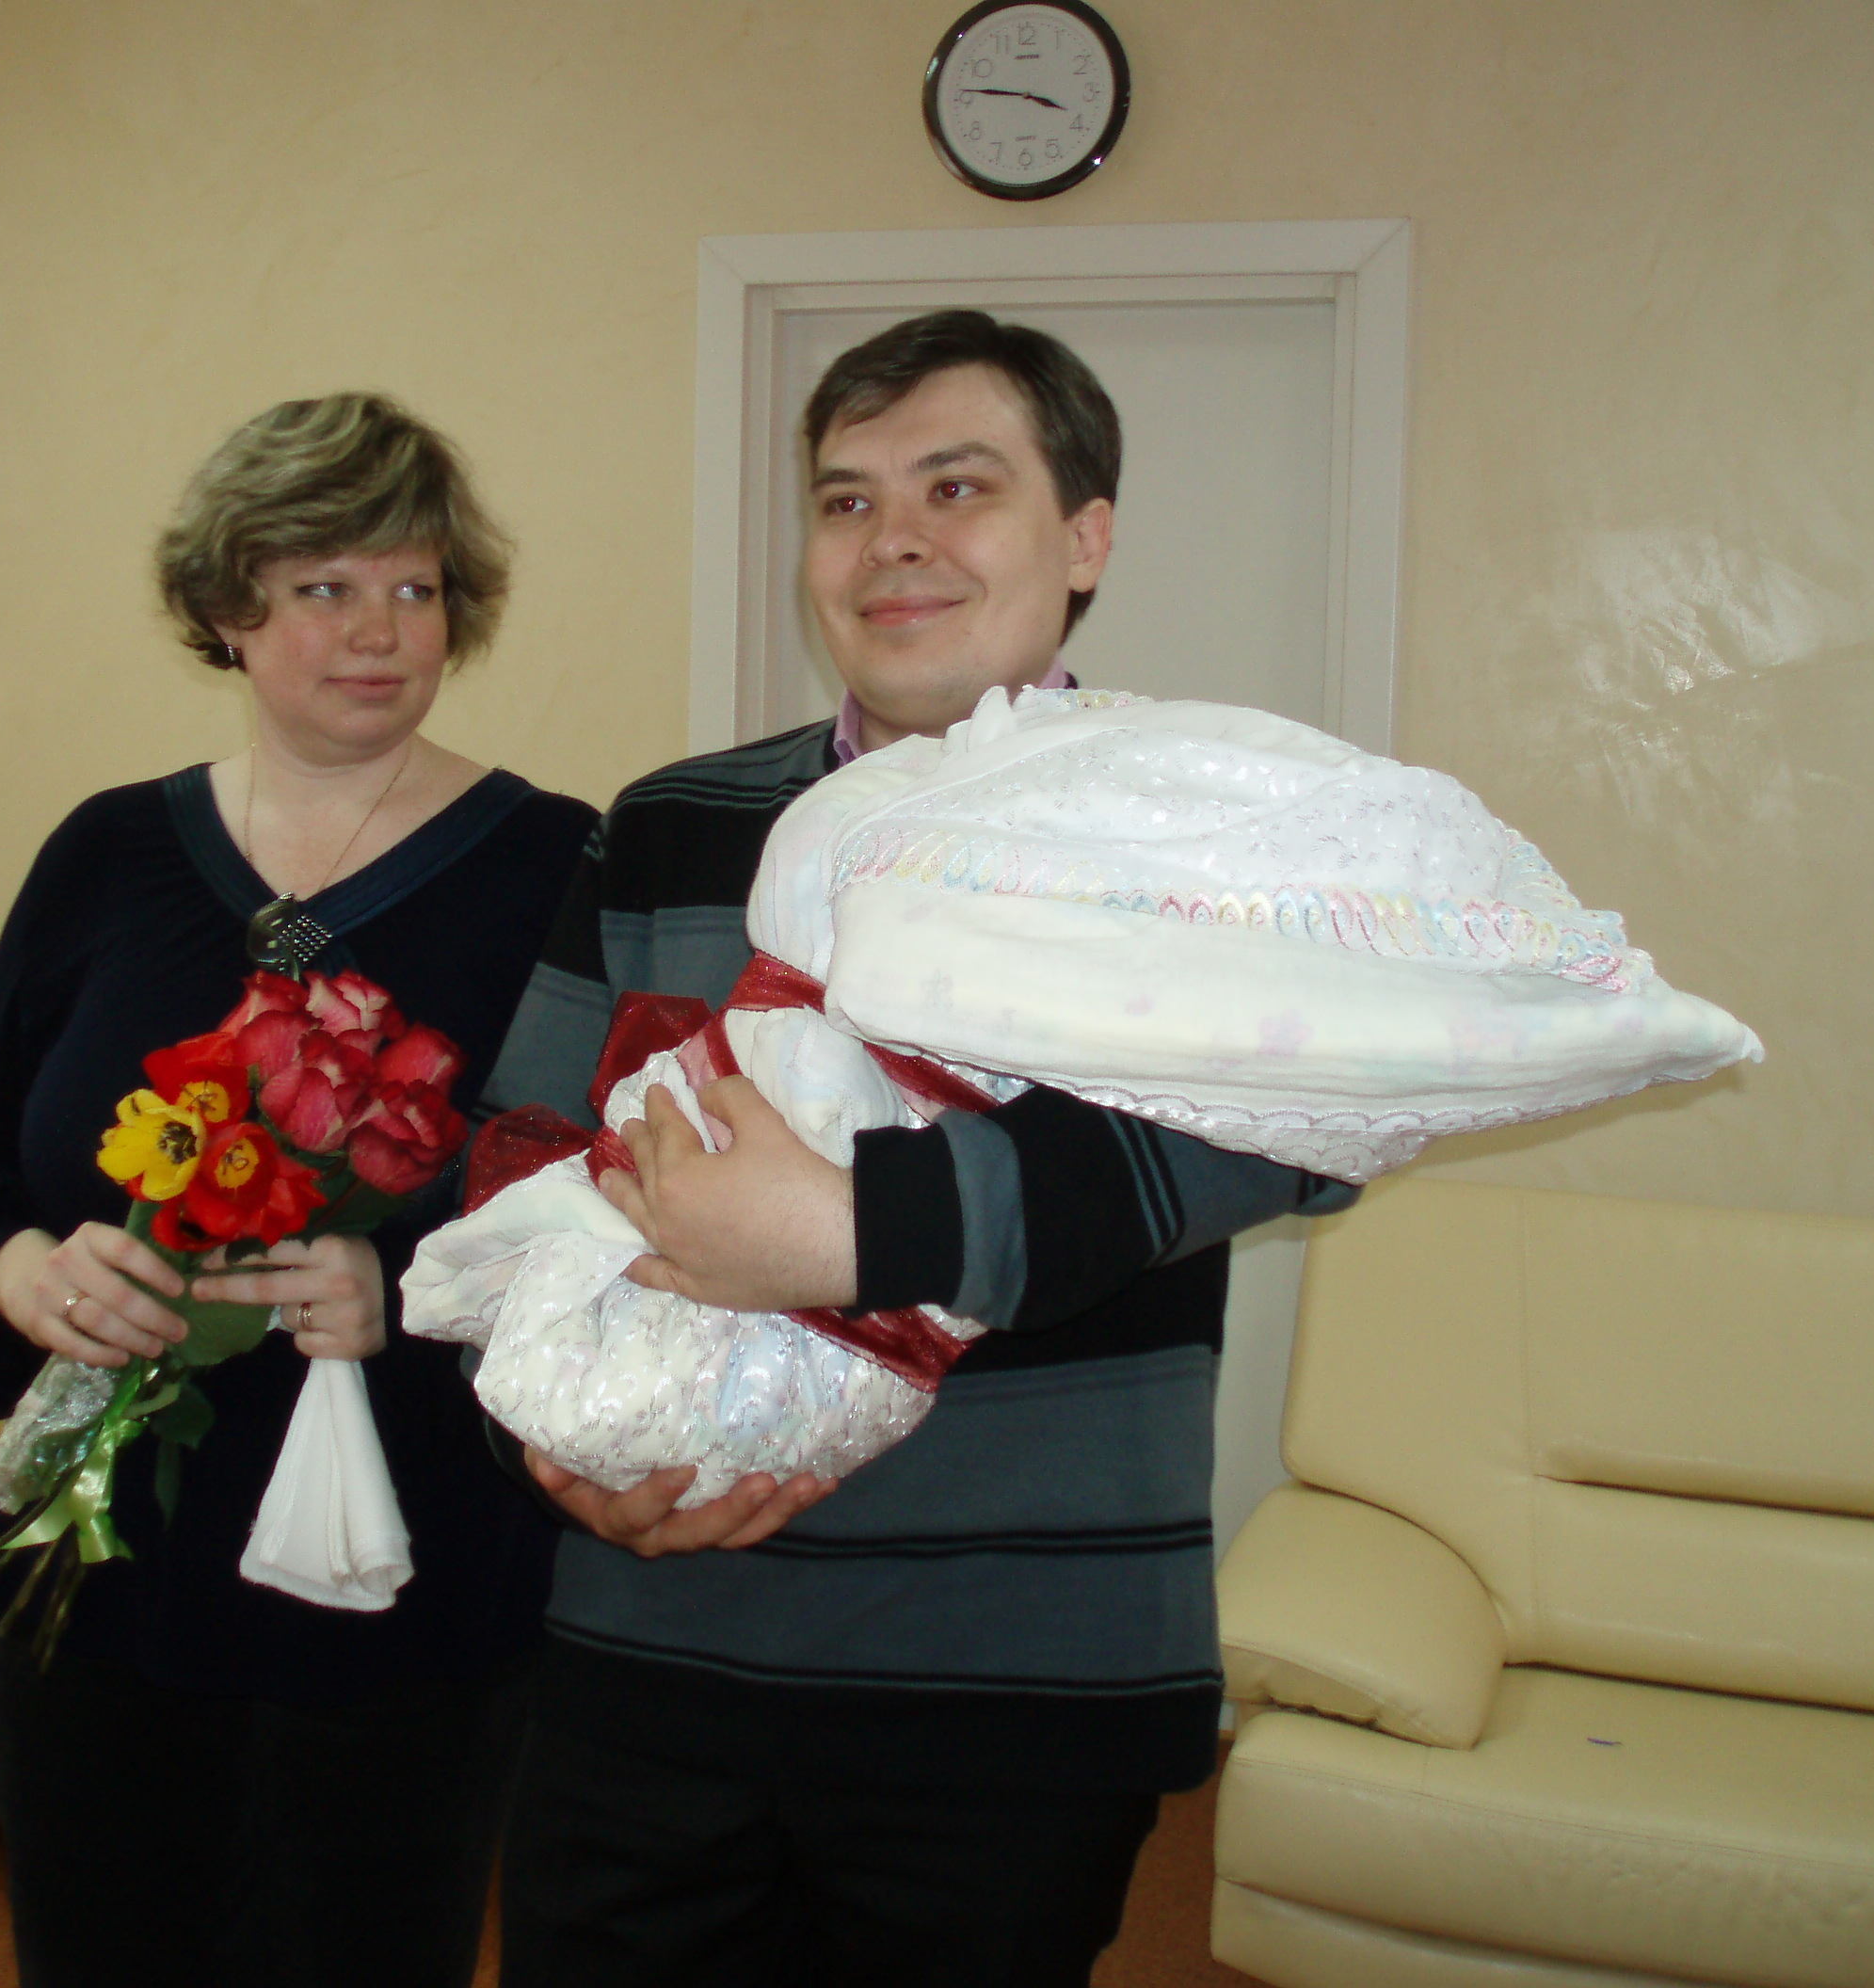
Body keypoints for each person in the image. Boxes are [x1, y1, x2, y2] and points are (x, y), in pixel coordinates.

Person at [480, 312, 1359, 1988]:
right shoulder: (670, 825)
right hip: (651, 1647)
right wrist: (541, 1434)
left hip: (1008, 1677)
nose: (892, 540)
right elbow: (518, 1152)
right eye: (846, 500)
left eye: (957, 488)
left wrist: (859, 1230)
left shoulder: (1208, 833)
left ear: (1084, 537)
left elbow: (1304, 1139)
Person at [0, 393, 596, 1988]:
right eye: (323, 588)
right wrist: (21, 1271)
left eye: (415, 588)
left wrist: (411, 1285)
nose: (379, 632)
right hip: (100, 1561)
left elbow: (603, 1205)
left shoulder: (559, 867)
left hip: (398, 1562)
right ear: (228, 610)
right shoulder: (103, 855)